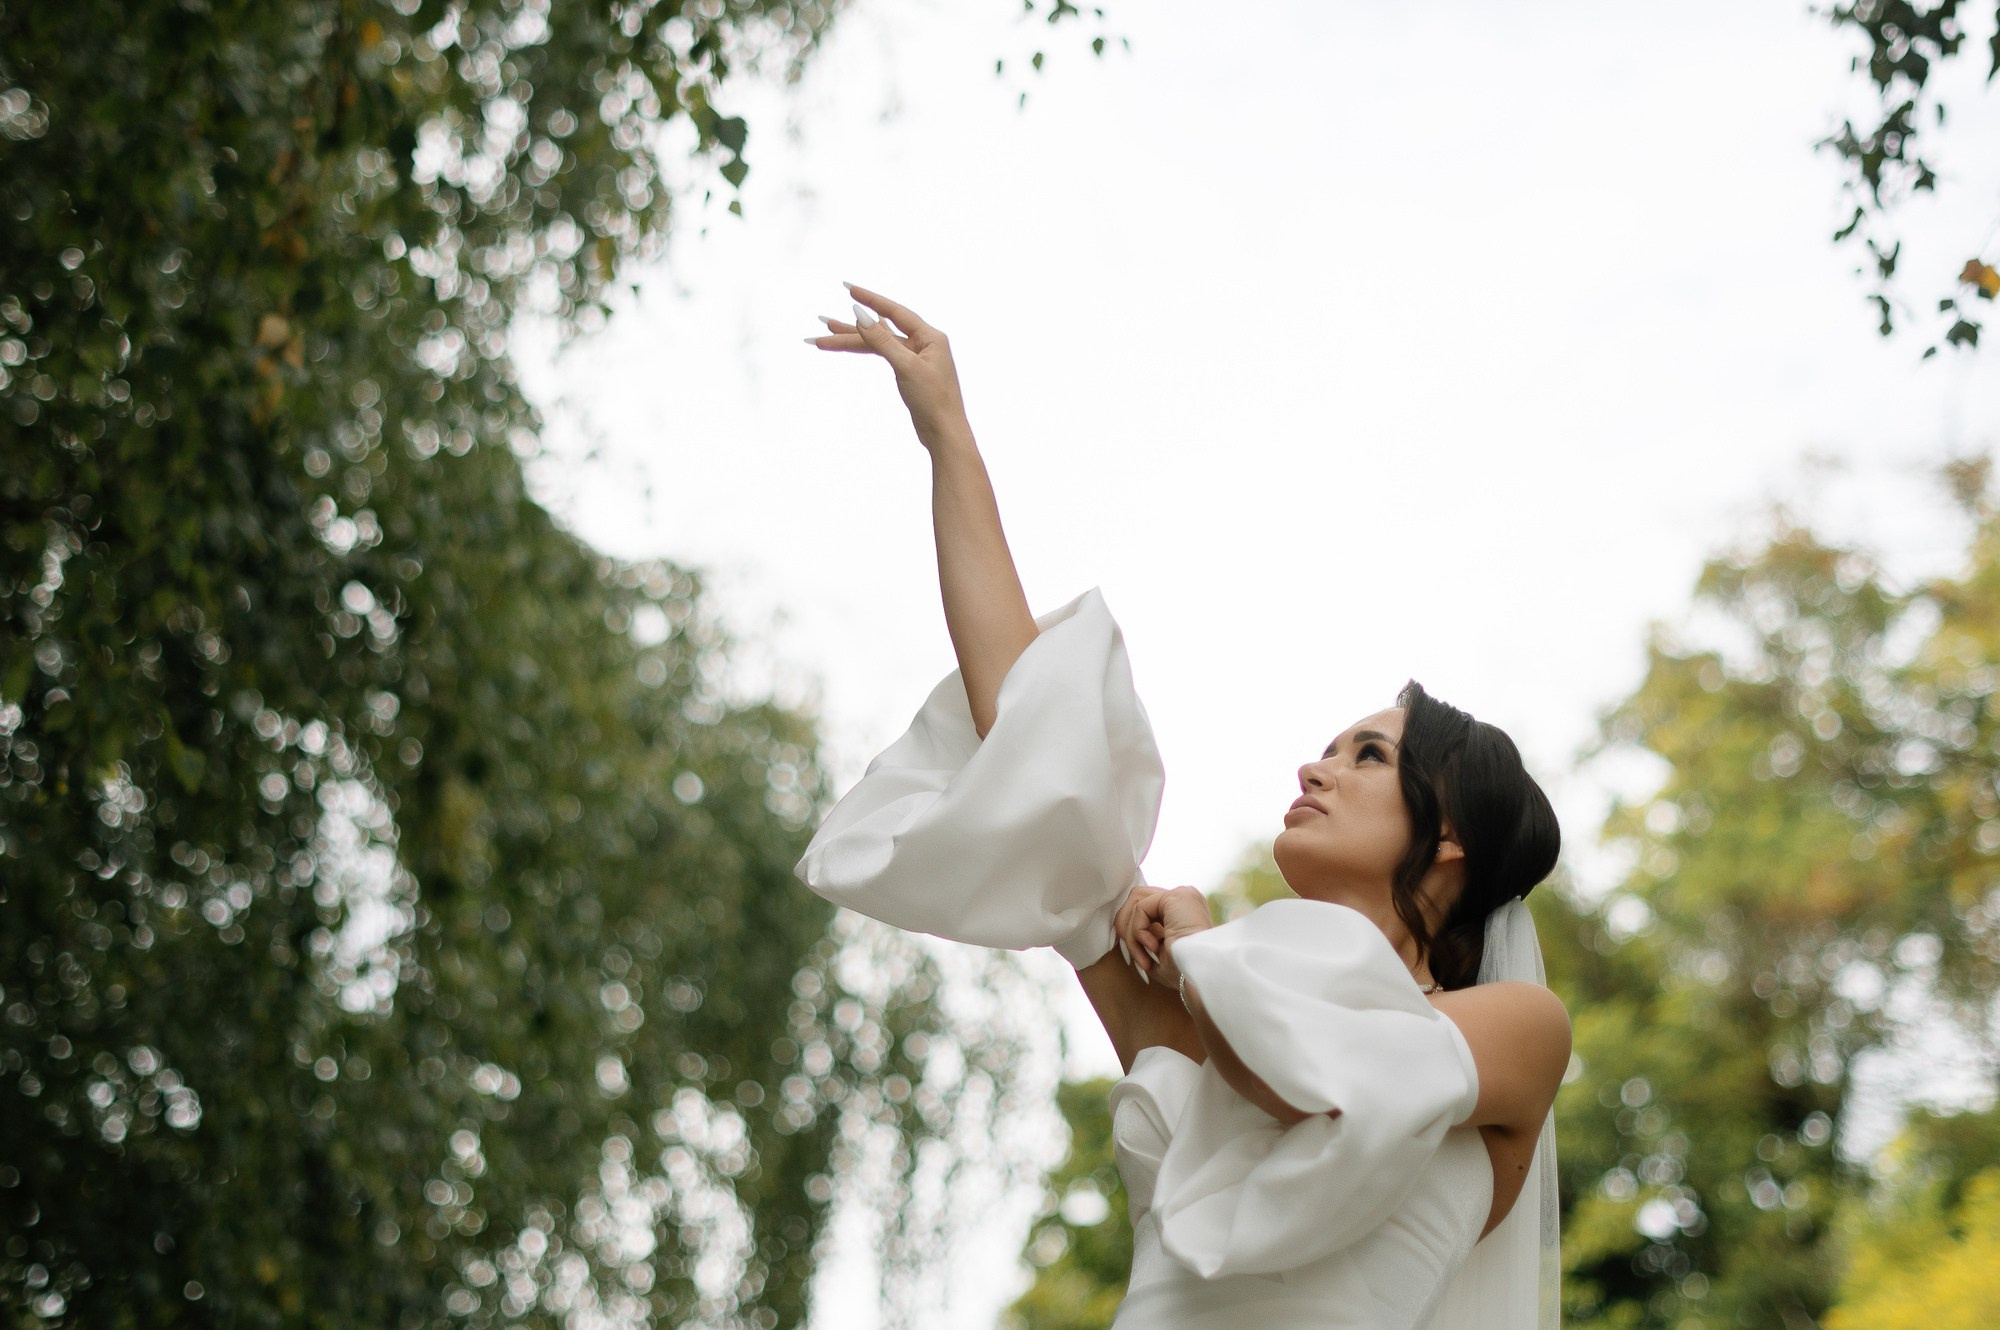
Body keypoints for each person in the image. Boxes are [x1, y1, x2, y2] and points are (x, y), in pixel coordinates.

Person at [798, 284, 1571, 1329]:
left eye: (1368, 754)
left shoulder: (1518, 1029)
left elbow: (1320, 1085)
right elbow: (1035, 741)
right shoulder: (1204, 994)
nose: (1314, 770)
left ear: (1450, 838)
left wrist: (1204, 949)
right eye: (1327, 748)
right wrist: (947, 434)